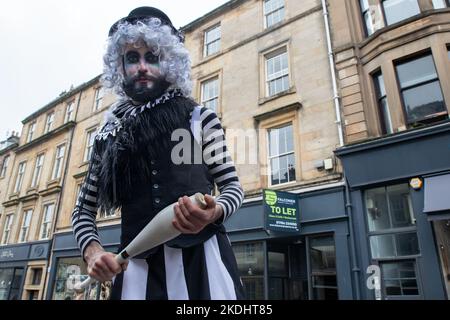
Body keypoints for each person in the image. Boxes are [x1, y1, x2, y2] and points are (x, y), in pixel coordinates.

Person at [71, 6, 245, 300]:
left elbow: (232, 188)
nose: (141, 67)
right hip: (136, 272)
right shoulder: (107, 137)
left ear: (169, 63)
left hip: (202, 265)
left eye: (152, 57)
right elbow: (83, 211)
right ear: (120, 67)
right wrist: (93, 251)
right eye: (131, 58)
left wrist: (214, 211)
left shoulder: (198, 119)